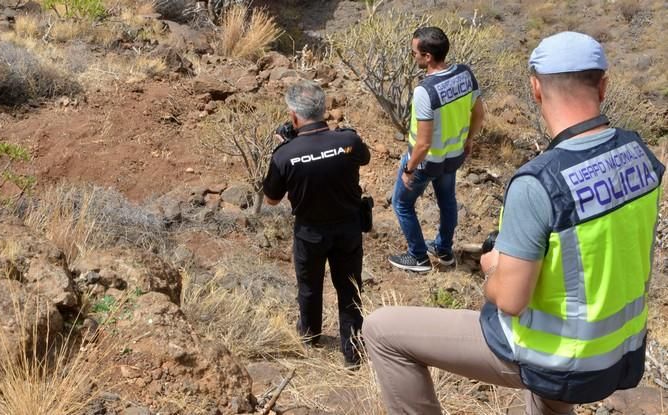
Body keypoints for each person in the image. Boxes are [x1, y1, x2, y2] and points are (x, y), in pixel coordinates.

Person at [364, 31, 665, 414]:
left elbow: (509, 299)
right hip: (621, 352)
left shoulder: (539, 181)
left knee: (382, 330)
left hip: (557, 358)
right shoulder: (640, 153)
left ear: (535, 88)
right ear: (603, 87)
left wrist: (494, 266)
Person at [263, 80, 371, 367]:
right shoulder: (348, 141)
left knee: (309, 286)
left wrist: (289, 146)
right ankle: (353, 352)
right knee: (349, 287)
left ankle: (310, 336)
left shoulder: (285, 155)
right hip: (348, 227)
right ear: (324, 110)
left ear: (294, 117)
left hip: (310, 231)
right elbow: (365, 157)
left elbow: (272, 199)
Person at [388, 26, 485, 272]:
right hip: (454, 156)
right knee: (447, 201)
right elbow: (479, 113)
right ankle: (444, 250)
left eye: (414, 53)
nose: (413, 57)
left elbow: (423, 142)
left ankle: (418, 256)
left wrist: (409, 169)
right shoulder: (464, 73)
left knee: (402, 204)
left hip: (426, 161)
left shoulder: (425, 91)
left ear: (427, 56)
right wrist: (470, 139)